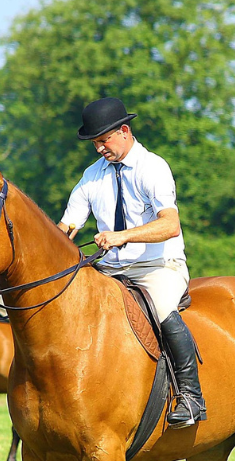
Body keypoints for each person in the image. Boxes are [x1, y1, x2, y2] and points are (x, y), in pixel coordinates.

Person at [58, 97, 205, 428]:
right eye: (94, 143)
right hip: (109, 270)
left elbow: (170, 225)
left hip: (158, 266)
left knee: (162, 310)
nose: (99, 149)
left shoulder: (153, 167)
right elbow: (67, 226)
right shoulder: (91, 176)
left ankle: (191, 397)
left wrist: (122, 236)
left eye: (103, 140)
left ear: (124, 131)